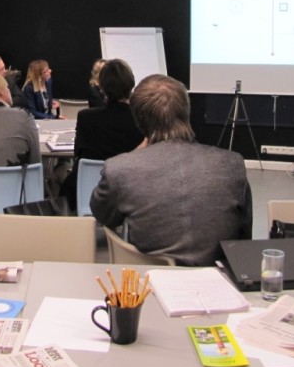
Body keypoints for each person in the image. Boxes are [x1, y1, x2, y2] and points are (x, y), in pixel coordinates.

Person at [90, 74, 252, 266]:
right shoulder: (232, 164)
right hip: (217, 278)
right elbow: (244, 239)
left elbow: (103, 215)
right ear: (186, 112)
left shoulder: (119, 169)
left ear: (139, 120)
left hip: (147, 280)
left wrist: (133, 155)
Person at [60, 59, 144, 210]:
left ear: (102, 87)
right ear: (131, 85)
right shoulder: (141, 120)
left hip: (86, 194)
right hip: (128, 196)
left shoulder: (85, 117)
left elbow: (78, 153)